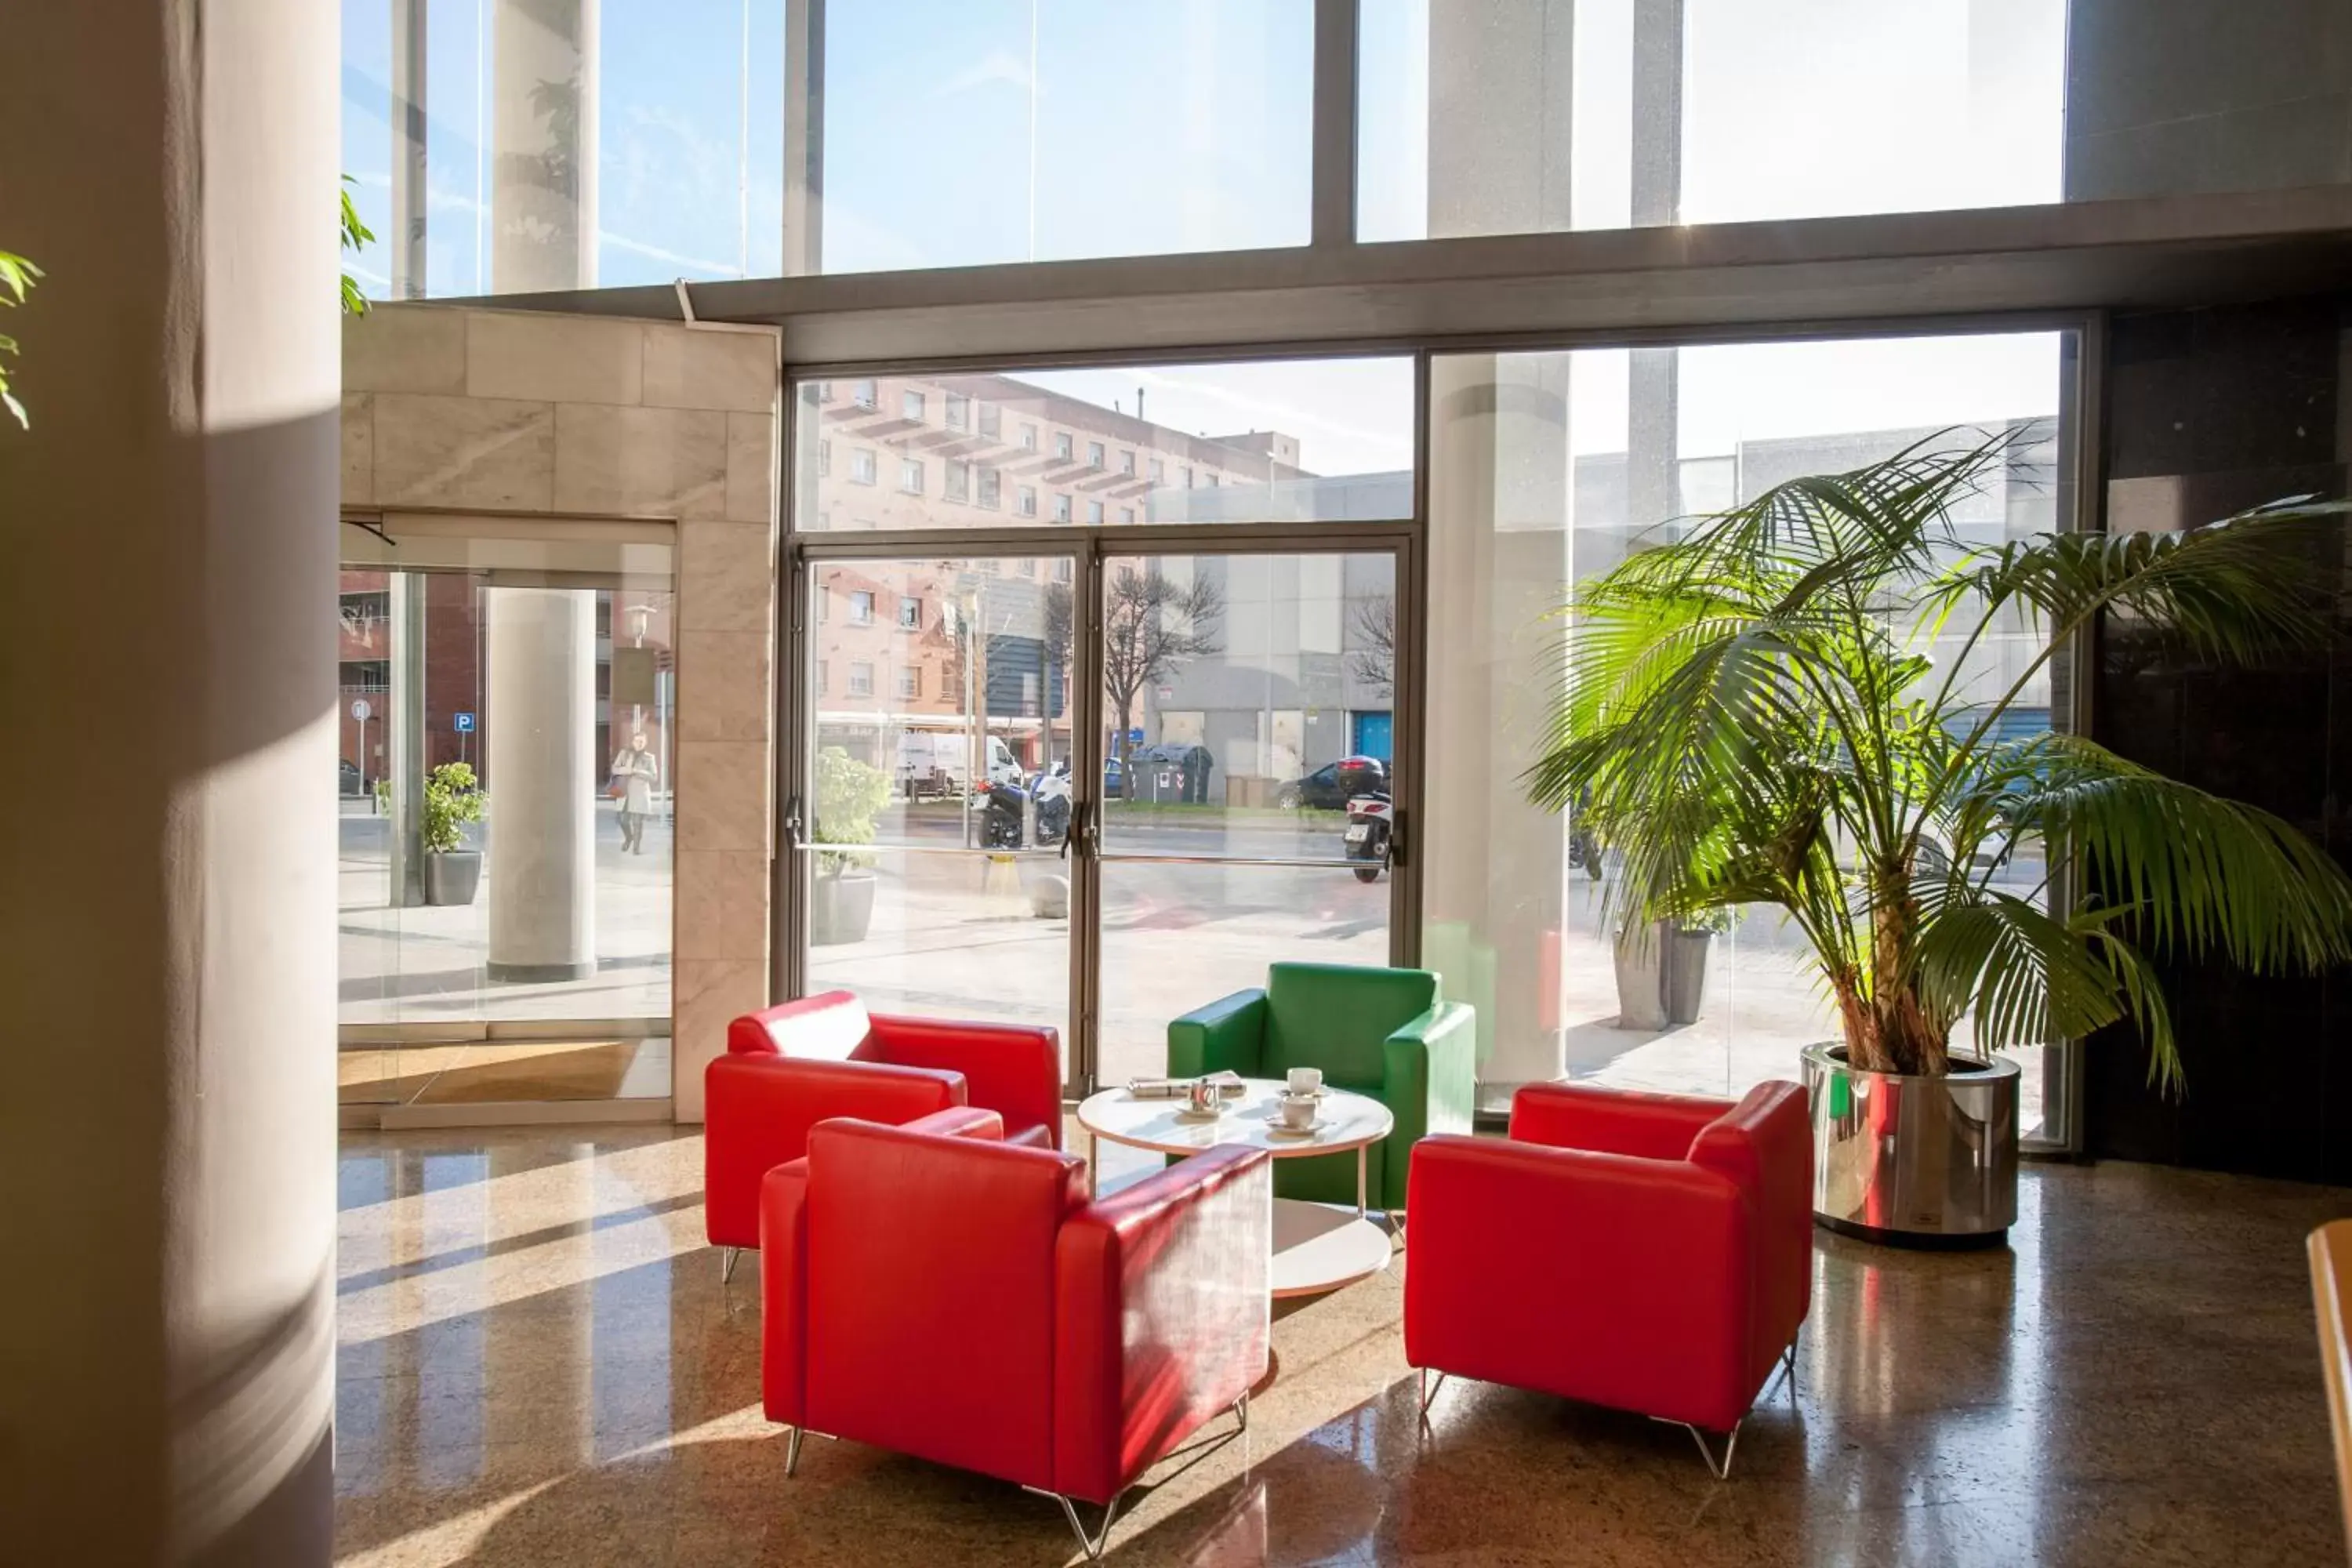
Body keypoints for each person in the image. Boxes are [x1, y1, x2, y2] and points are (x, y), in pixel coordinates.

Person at [610, 733, 659, 853]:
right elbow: (615, 769)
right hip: (625, 792)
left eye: (642, 742)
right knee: (623, 820)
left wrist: (638, 771)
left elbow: (654, 777)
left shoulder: (649, 757)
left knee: (637, 822)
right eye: (637, 741)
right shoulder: (624, 754)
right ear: (633, 742)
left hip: (640, 793)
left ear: (645, 743)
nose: (639, 744)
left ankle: (636, 849)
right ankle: (629, 838)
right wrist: (626, 771)